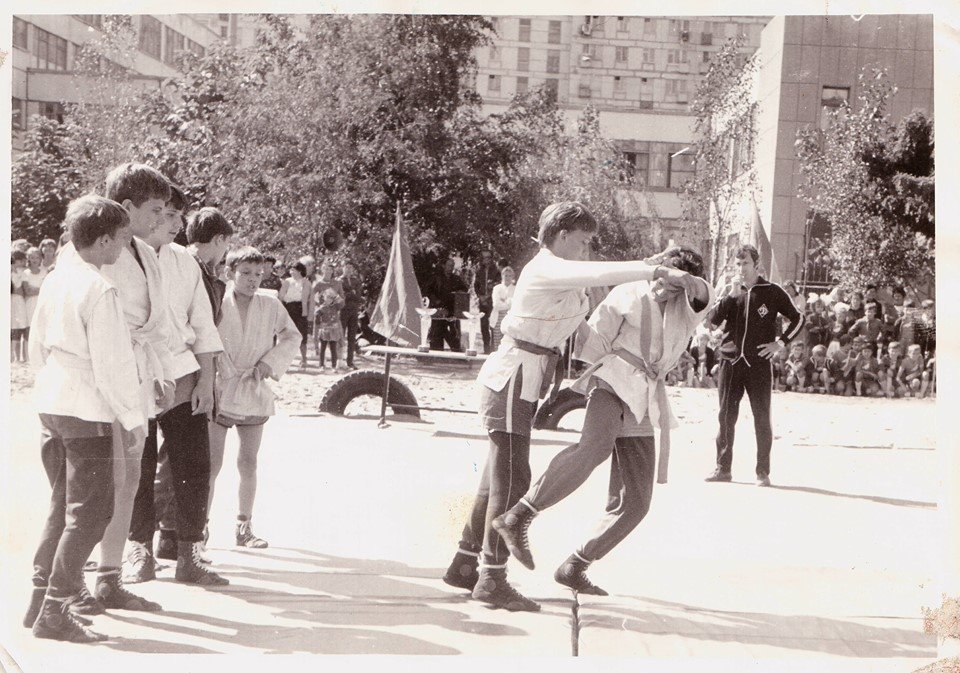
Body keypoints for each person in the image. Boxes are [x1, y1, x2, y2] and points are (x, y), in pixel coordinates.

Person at [441, 202, 699, 612]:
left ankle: (465, 563)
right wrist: (654, 269)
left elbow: (580, 322)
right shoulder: (546, 267)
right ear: (561, 236)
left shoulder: (560, 274)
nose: (586, 251)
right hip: (512, 374)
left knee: (496, 479)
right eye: (582, 242)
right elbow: (600, 275)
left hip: (525, 376)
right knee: (512, 477)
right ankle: (491, 578)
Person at [491, 246, 712, 594]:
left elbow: (701, 292)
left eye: (670, 287)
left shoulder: (689, 306)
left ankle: (575, 565)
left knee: (637, 502)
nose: (661, 289)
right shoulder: (627, 291)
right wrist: (573, 318)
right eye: (660, 280)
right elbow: (595, 343)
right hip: (613, 379)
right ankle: (518, 516)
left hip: (646, 396)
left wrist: (680, 279)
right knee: (594, 448)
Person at [54, 164, 177, 613]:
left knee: (129, 480)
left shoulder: (145, 252)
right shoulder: (84, 254)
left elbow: (156, 324)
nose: (162, 219)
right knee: (96, 489)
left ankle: (110, 577)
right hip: (98, 386)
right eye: (154, 210)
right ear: (125, 208)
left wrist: (161, 372)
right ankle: (71, 585)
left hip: (136, 378)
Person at [24, 195, 146, 643]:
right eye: (121, 240)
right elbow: (112, 363)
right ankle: (55, 611)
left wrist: (49, 389)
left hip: (53, 399)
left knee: (63, 503)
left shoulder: (58, 278)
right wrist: (132, 418)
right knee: (93, 511)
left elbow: (36, 345)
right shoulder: (99, 288)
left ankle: (40, 599)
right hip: (86, 406)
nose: (122, 250)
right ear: (104, 239)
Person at [125, 184, 228, 587]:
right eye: (166, 214)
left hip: (184, 375)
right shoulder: (121, 255)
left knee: (194, 465)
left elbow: (202, 324)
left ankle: (189, 554)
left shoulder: (185, 261)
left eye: (177, 216)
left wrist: (207, 378)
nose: (176, 224)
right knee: (140, 465)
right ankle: (139, 551)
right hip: (137, 376)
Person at [207, 247, 301, 549]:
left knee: (248, 462)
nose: (252, 280)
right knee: (212, 463)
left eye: (258, 274)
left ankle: (244, 526)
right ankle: (200, 525)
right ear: (229, 272)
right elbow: (202, 334)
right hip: (222, 386)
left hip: (253, 386)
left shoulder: (271, 304)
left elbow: (291, 336)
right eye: (245, 273)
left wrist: (268, 364)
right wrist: (216, 364)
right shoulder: (217, 302)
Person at [705, 244, 804, 487]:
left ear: (756, 265)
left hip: (759, 363)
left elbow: (798, 318)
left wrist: (779, 343)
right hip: (730, 361)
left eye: (745, 263)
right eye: (737, 264)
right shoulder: (730, 291)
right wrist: (730, 295)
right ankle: (723, 468)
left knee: (761, 417)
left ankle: (762, 471)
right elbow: (713, 321)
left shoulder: (771, 291)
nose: (741, 269)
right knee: (725, 416)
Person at [426, 258, 467, 352]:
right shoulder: (436, 277)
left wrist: (458, 292)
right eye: (449, 265)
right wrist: (436, 302)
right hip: (439, 309)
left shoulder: (456, 278)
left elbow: (464, 289)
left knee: (453, 332)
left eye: (452, 266)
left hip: (452, 310)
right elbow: (428, 291)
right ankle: (436, 352)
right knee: (437, 331)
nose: (451, 268)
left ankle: (457, 352)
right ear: (444, 266)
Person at [281, 262, 312, 369]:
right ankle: (286, 361)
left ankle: (304, 359)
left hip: (300, 309)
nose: (291, 272)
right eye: (291, 270)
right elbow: (281, 295)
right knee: (288, 334)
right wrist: (288, 300)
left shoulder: (306, 282)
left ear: (299, 271)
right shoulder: (287, 282)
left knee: (302, 335)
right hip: (289, 308)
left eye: (293, 270)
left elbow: (306, 298)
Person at [311, 260, 343, 359]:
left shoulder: (337, 283)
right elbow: (311, 296)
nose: (328, 271)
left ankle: (337, 360)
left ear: (333, 271)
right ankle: (320, 359)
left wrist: (338, 304)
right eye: (326, 269)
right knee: (320, 335)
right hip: (322, 313)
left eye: (330, 269)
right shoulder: (319, 283)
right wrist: (318, 305)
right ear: (322, 270)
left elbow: (341, 297)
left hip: (333, 312)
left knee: (336, 335)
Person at [474, 250, 499, 354]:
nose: (486, 260)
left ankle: (493, 349)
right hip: (482, 301)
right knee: (483, 325)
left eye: (488, 257)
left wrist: (488, 296)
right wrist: (480, 297)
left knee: (493, 325)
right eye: (484, 258)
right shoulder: (479, 271)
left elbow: (497, 285)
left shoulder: (496, 271)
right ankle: (486, 348)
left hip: (492, 301)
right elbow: (476, 285)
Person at [339, 261, 362, 369]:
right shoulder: (339, 281)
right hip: (343, 310)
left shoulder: (356, 281)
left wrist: (351, 293)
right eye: (346, 267)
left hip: (353, 310)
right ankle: (339, 360)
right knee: (340, 336)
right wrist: (350, 293)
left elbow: (358, 296)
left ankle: (350, 361)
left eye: (350, 267)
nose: (348, 269)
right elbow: (341, 295)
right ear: (343, 268)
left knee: (352, 337)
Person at [316, 287, 344, 370]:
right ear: (324, 298)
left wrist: (335, 295)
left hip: (334, 330)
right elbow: (316, 316)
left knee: (333, 348)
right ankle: (321, 365)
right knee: (323, 348)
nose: (329, 300)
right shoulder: (321, 308)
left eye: (331, 298)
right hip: (325, 330)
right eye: (327, 297)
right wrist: (319, 321)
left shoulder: (335, 307)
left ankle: (333, 366)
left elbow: (341, 302)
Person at [489, 266, 516, 352]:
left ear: (512, 277)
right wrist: (509, 302)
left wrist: (504, 300)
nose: (507, 277)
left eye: (509, 275)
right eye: (505, 275)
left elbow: (515, 304)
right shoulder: (497, 288)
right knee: (497, 343)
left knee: (509, 341)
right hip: (498, 318)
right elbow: (496, 304)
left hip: (510, 318)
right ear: (502, 276)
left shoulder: (516, 289)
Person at [11, 250, 29, 363]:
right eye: (20, 260)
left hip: (21, 301)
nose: (22, 262)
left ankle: (23, 356)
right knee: (14, 328)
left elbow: (21, 288)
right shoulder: (11, 272)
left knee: (22, 326)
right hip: (13, 301)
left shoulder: (23, 271)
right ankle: (14, 356)